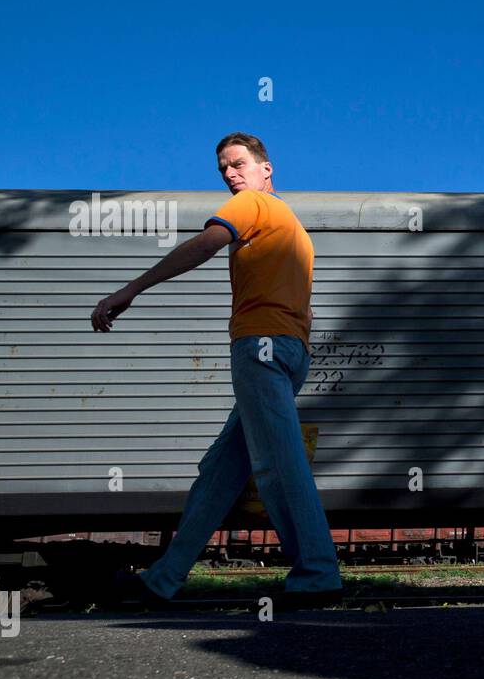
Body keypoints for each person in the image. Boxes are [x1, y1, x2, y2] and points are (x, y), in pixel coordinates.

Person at [90, 132, 343, 610]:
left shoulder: (252, 205)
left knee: (277, 464)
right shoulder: (297, 233)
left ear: (266, 169)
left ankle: (317, 575)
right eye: (223, 168)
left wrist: (131, 290)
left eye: (239, 163)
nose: (230, 174)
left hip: (259, 348)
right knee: (221, 470)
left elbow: (204, 245)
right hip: (289, 352)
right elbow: (307, 314)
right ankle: (162, 580)